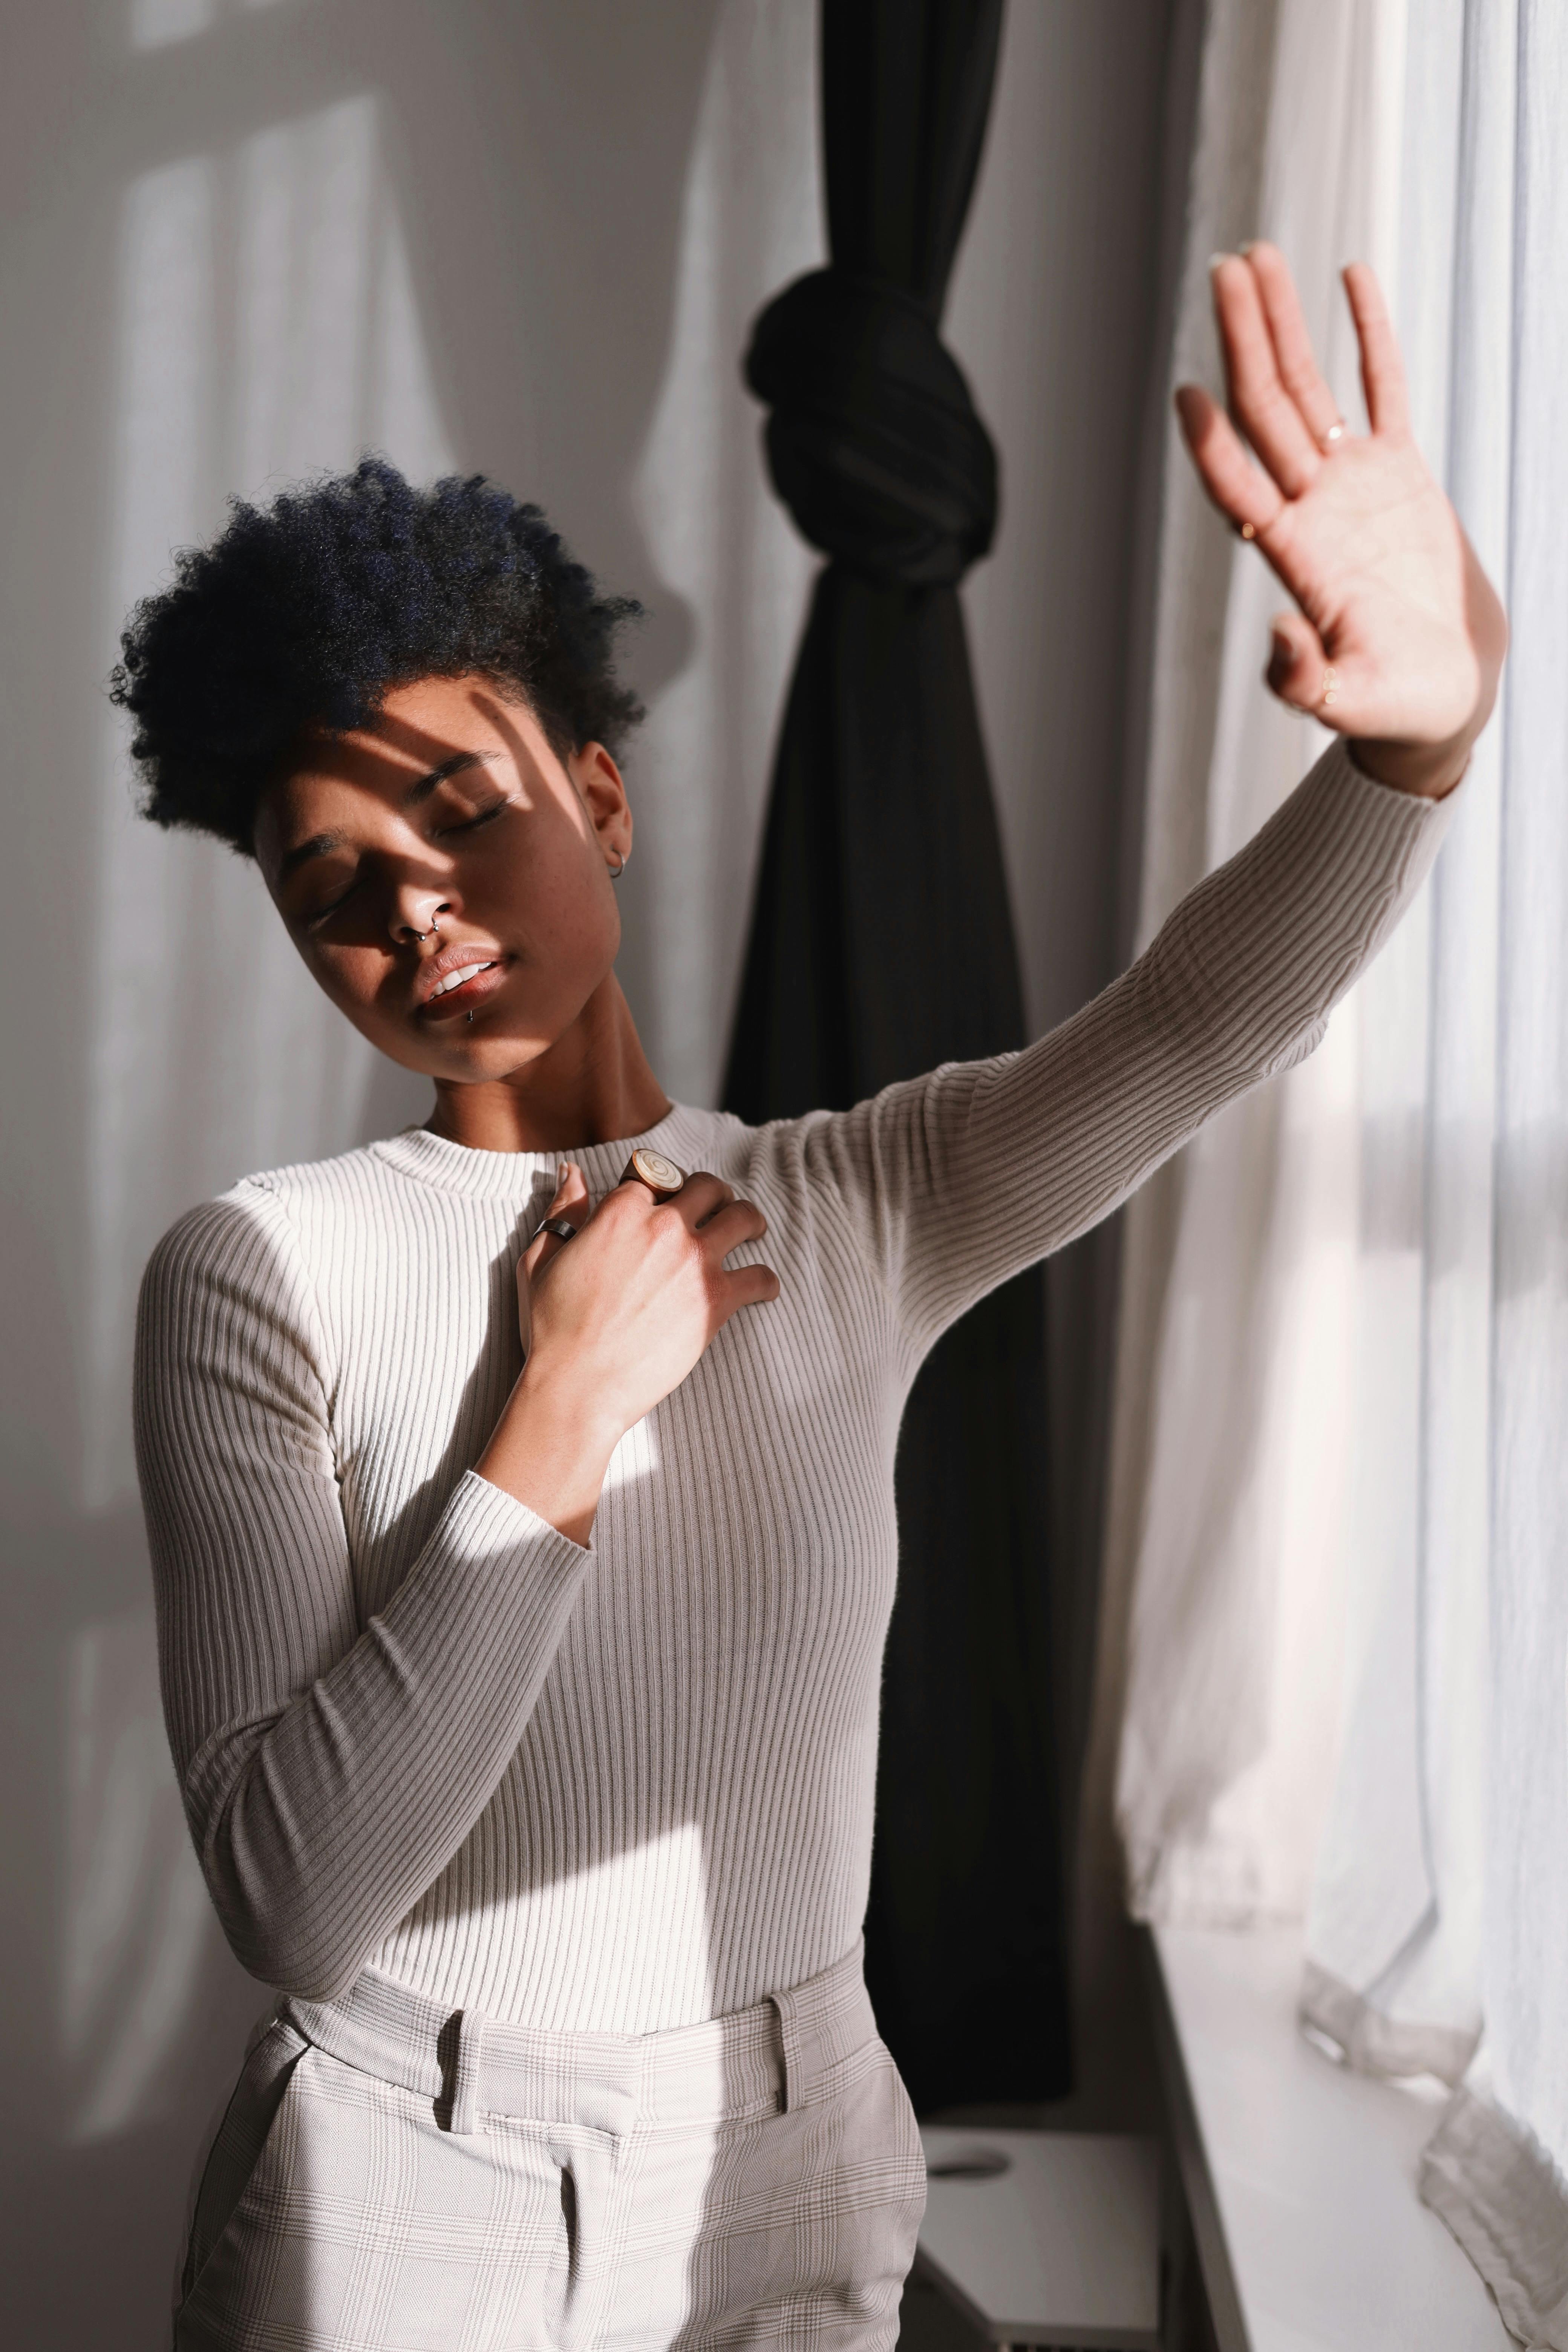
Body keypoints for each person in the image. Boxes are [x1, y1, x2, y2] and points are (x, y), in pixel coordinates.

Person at [123, 246, 1502, 2352]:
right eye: (336, 891)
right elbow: (296, 1905)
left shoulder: (865, 1200)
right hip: (412, 2186)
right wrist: (556, 1424)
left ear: (601, 790)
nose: (417, 907)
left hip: (794, 2151)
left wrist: (1420, 745)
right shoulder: (260, 1269)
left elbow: (1191, 1033)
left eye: (464, 811)